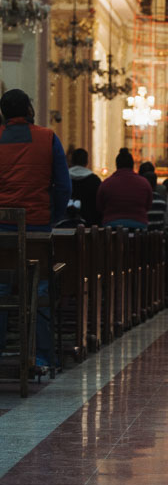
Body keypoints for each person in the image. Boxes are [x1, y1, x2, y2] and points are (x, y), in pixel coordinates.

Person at [0, 88, 71, 367]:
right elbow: (63, 186)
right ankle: (41, 354)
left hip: (2, 228)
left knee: (1, 290)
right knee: (40, 290)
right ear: (29, 110)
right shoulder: (48, 138)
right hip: (38, 228)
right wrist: (52, 216)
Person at [96, 148, 152, 229]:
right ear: (132, 165)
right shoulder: (144, 183)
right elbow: (148, 206)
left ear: (117, 165)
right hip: (139, 224)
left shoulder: (106, 184)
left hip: (112, 225)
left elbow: (100, 206)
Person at [69, 147, 101, 226]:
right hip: (90, 224)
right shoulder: (95, 180)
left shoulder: (63, 178)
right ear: (87, 162)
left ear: (72, 161)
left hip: (66, 223)